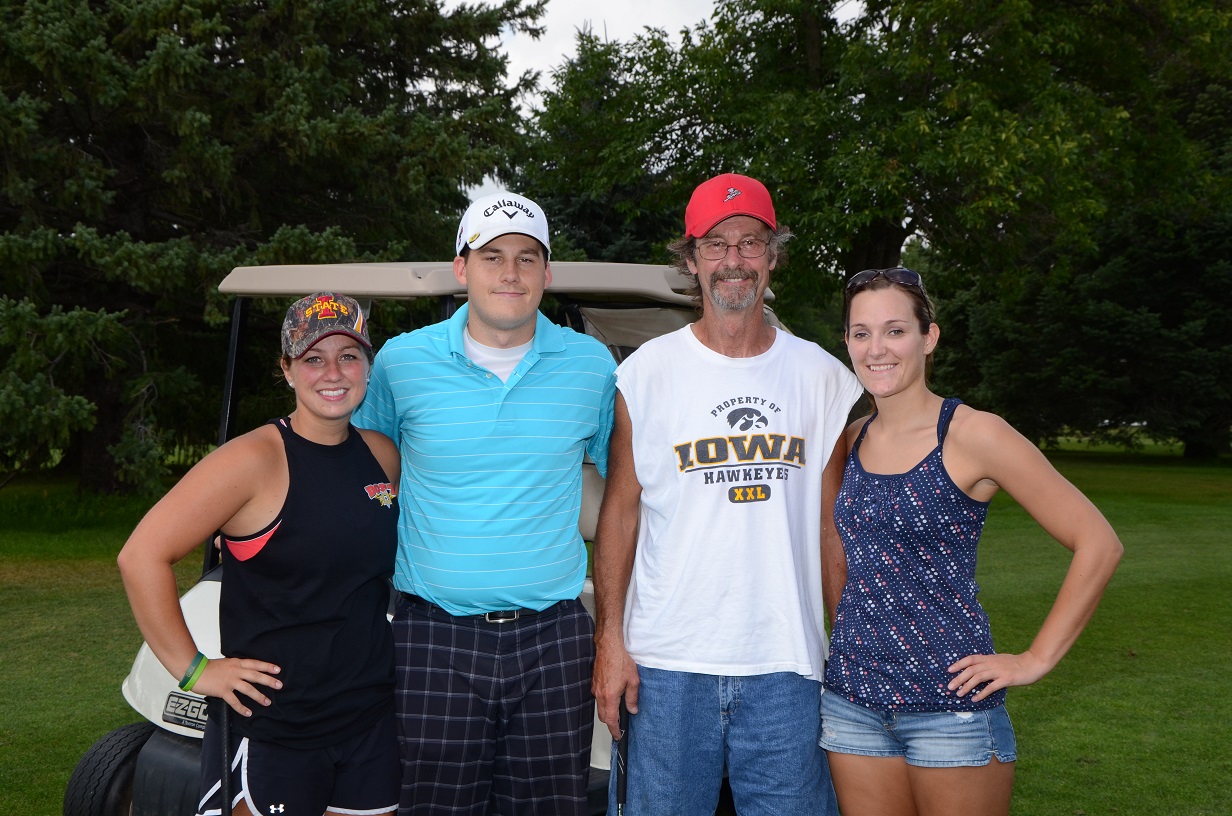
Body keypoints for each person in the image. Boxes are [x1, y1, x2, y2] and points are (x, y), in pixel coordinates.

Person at [591, 172, 864, 816]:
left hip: (789, 666)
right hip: (665, 666)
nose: (733, 261)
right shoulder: (645, 374)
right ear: (690, 259)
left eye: (750, 243)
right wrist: (610, 642)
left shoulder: (824, 378)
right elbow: (621, 515)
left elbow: (833, 530)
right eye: (716, 244)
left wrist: (849, 653)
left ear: (774, 256)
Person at [821, 267, 1124, 815]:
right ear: (847, 343)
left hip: (950, 708)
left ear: (928, 337)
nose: (877, 348)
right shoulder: (849, 439)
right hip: (852, 706)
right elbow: (841, 551)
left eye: (895, 330)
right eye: (861, 333)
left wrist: (1033, 659)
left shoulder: (973, 434)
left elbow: (1098, 542)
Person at [351, 191, 617, 815]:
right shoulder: (401, 362)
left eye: (528, 258)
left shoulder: (591, 366)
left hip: (553, 640)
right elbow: (363, 476)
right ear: (461, 268)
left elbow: (624, 490)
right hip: (432, 635)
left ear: (547, 275)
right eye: (492, 256)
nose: (511, 273)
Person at [117, 292, 401, 816]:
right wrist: (196, 671)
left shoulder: (380, 455)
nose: (332, 371)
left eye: (348, 355)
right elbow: (141, 556)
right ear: (287, 370)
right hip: (275, 728)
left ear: (367, 365)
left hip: (368, 721)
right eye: (313, 358)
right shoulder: (252, 459)